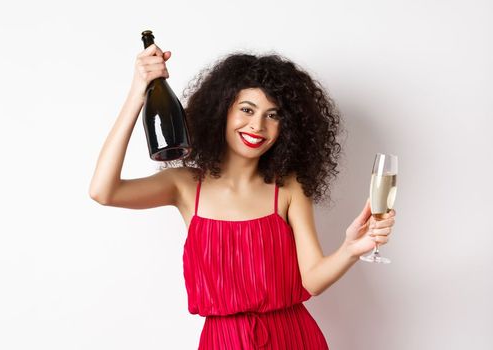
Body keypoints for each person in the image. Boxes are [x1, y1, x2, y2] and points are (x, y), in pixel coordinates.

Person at [88, 43, 397, 349]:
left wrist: (351, 249)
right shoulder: (183, 185)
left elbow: (312, 280)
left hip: (293, 338)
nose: (257, 126)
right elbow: (103, 191)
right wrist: (138, 95)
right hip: (224, 341)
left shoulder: (288, 187)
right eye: (247, 109)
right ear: (222, 110)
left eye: (272, 115)